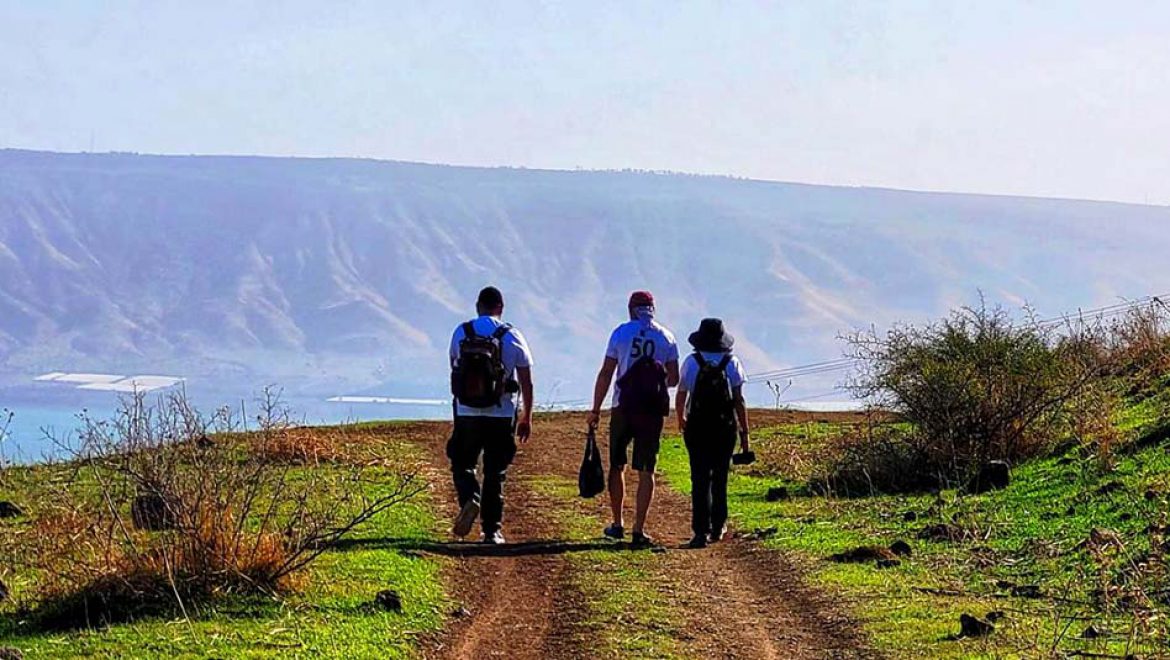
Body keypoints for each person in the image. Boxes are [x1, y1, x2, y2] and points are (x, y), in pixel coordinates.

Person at [587, 291, 679, 547]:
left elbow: (606, 372)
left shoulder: (621, 333)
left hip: (623, 406)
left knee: (618, 465)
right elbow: (673, 379)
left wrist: (595, 409)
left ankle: (617, 523)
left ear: (631, 309)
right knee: (647, 469)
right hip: (651, 411)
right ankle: (639, 529)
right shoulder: (666, 337)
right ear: (652, 309)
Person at [448, 286, 534, 545]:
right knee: (495, 472)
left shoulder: (461, 332)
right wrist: (526, 416)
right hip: (501, 413)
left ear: (478, 306)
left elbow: (454, 371)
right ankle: (491, 531)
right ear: (501, 307)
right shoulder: (511, 335)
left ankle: (470, 499)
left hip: (467, 413)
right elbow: (526, 381)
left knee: (462, 463)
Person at [675, 318, 751, 549]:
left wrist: (681, 419)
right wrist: (744, 433)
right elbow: (739, 400)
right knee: (720, 477)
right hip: (724, 427)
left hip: (697, 427)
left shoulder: (691, 362)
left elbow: (681, 395)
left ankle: (700, 532)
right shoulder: (732, 362)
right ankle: (718, 526)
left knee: (699, 478)